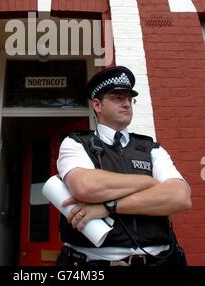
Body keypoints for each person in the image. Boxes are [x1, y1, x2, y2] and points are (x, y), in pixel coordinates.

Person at [56, 65, 192, 267]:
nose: (127, 104)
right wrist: (149, 182)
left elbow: (180, 197)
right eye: (117, 98)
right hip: (94, 265)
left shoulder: (150, 148)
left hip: (159, 261)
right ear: (97, 105)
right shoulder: (76, 144)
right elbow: (86, 187)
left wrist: (108, 207)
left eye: (129, 99)